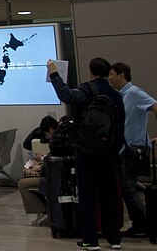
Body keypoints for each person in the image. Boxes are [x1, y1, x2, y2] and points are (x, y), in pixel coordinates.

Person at [47, 57, 125, 251]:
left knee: (88, 194)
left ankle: (90, 239)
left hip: (87, 151)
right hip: (109, 152)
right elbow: (120, 125)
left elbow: (65, 95)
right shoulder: (116, 96)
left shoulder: (86, 89)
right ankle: (114, 239)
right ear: (109, 73)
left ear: (90, 72)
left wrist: (54, 72)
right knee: (110, 194)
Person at [108, 61, 157, 238]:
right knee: (126, 187)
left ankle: (145, 224)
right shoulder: (120, 95)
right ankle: (139, 224)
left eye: (112, 74)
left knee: (128, 187)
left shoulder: (134, 92)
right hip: (122, 150)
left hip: (133, 149)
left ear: (122, 75)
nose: (110, 78)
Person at [17, 115, 59, 222]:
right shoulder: (62, 138)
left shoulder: (57, 141)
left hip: (52, 176)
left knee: (22, 184)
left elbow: (53, 161)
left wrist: (40, 165)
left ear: (50, 130)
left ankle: (43, 210)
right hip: (54, 173)